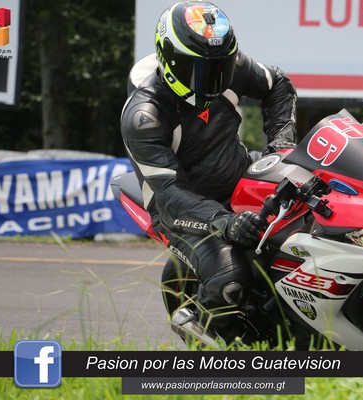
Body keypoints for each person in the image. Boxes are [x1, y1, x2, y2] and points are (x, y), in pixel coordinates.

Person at [120, 1, 297, 340]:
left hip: (238, 174)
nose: (215, 79)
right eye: (200, 69)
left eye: (221, 67)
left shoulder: (232, 65)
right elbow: (169, 194)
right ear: (170, 60)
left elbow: (278, 84)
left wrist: (281, 146)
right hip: (178, 208)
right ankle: (210, 333)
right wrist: (224, 221)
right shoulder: (144, 116)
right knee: (230, 279)